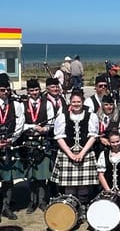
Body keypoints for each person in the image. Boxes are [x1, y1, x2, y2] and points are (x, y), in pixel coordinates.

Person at [50, 88, 99, 209]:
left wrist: (82, 153)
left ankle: (82, 207)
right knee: (69, 186)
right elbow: (59, 137)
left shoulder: (91, 116)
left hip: (85, 152)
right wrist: (70, 154)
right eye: (74, 102)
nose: (76, 104)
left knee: (84, 185)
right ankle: (70, 209)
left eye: (78, 102)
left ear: (83, 102)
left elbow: (93, 136)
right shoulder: (62, 116)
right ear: (70, 103)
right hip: (67, 153)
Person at [19, 79, 55, 213]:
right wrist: (33, 126)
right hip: (28, 142)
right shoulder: (22, 105)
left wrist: (44, 129)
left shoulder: (48, 104)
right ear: (28, 92)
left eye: (36, 90)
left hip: (42, 141)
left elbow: (52, 122)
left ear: (40, 90)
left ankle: (42, 201)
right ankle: (32, 202)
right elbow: (20, 123)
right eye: (31, 90)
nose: (34, 93)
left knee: (43, 175)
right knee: (31, 175)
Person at [0, 75, 25, 220]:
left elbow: (20, 124)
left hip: (9, 145)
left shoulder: (16, 105)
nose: (5, 92)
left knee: (8, 179)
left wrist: (11, 140)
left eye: (7, 90)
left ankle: (6, 207)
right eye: (2, 90)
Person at [96, 131, 120, 221]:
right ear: (109, 142)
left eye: (117, 141)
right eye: (113, 142)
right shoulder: (103, 154)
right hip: (108, 191)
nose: (115, 144)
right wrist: (108, 191)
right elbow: (100, 175)